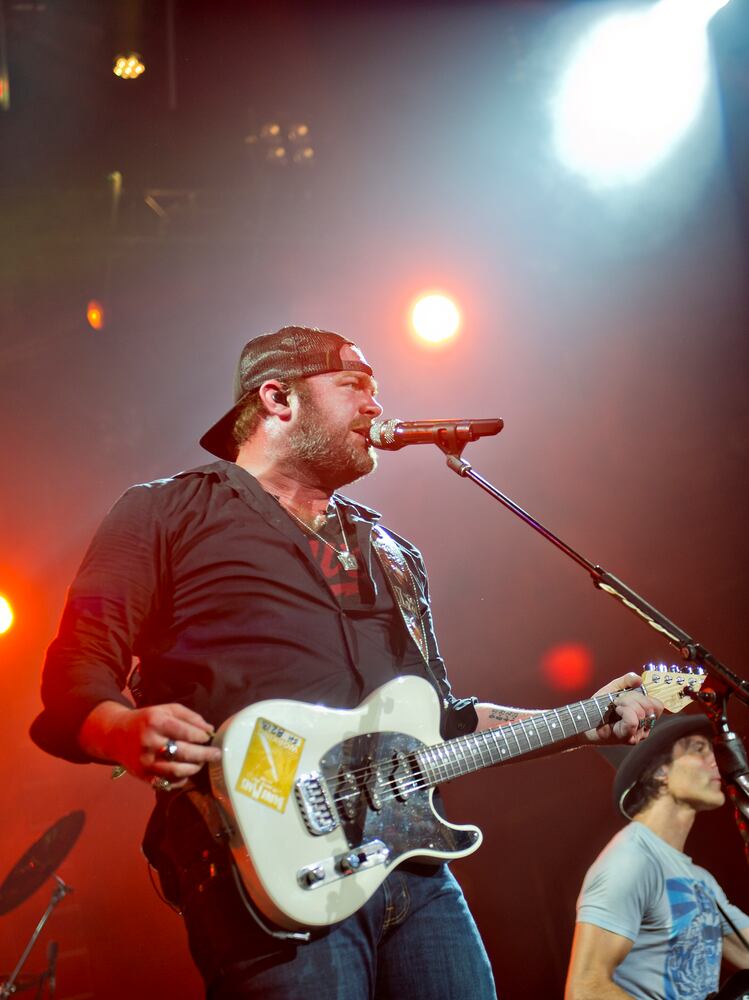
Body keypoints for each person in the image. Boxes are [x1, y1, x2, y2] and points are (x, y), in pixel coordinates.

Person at [32, 326, 663, 999]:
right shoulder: (166, 512)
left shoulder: (390, 550)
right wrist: (119, 729)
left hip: (411, 868)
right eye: (354, 385)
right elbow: (77, 667)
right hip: (263, 861)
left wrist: (584, 721)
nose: (374, 405)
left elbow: (444, 722)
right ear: (277, 399)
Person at [565, 713, 749, 1000]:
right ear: (660, 772)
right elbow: (585, 990)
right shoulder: (631, 858)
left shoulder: (701, 880)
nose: (716, 761)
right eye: (699, 749)